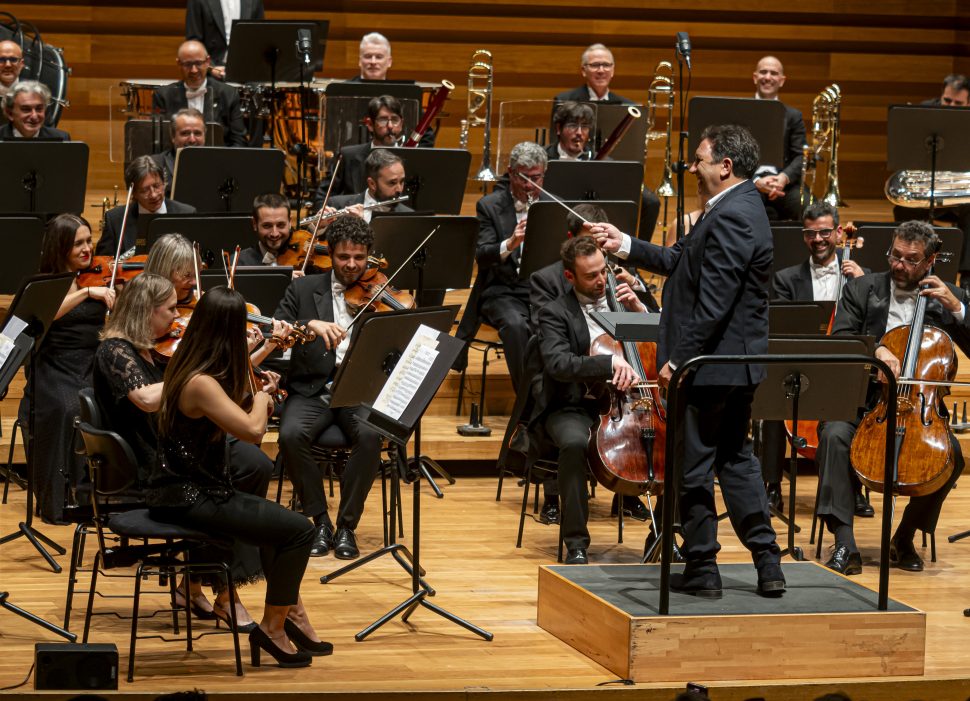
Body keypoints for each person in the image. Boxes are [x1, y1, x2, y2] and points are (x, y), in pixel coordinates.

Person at [592, 123, 785, 598]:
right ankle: (768, 564)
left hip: (710, 366)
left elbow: (715, 300)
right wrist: (626, 245)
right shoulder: (731, 209)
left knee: (692, 466)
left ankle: (702, 568)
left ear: (725, 165)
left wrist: (679, 360)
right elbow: (682, 260)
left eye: (699, 159)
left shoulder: (735, 213)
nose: (691, 168)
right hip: (729, 365)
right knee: (736, 460)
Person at [95, 271, 285, 630]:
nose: (177, 317)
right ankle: (225, 589)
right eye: (169, 309)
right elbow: (147, 400)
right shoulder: (114, 350)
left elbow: (207, 385)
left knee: (255, 464)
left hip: (177, 445)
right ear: (144, 312)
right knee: (238, 472)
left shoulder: (153, 348)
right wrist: (194, 371)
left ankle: (198, 581)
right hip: (147, 457)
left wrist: (257, 350)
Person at [150, 285, 328, 668]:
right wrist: (266, 398)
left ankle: (288, 614)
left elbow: (230, 412)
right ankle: (275, 627)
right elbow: (252, 430)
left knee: (280, 529)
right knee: (300, 530)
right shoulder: (201, 381)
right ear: (227, 330)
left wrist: (256, 391)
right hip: (192, 498)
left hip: (190, 491)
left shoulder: (193, 367)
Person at [815, 220, 966, 575]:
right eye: (895, 255)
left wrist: (957, 308)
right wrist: (877, 350)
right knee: (835, 435)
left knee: (953, 457)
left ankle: (903, 538)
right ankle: (845, 544)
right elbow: (842, 337)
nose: (899, 265)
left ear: (930, 261)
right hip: (864, 400)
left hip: (921, 409)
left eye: (911, 260)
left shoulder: (948, 298)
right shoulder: (863, 288)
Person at [527, 204, 659, 527]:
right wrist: (607, 362)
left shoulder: (621, 298)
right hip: (573, 404)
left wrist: (639, 310)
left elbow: (658, 345)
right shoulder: (555, 311)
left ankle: (666, 535)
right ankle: (576, 541)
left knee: (679, 438)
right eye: (592, 276)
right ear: (570, 276)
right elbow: (558, 363)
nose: (602, 280)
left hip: (626, 403)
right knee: (573, 443)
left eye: (604, 271)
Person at [273, 215, 384, 561]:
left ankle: (347, 525)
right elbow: (278, 328)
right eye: (343, 257)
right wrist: (309, 324)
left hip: (358, 389)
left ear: (370, 256)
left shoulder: (379, 292)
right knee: (290, 435)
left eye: (359, 257)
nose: (352, 265)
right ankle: (319, 520)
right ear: (330, 253)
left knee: (371, 436)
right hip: (311, 389)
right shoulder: (303, 288)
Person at [762, 201, 868, 511]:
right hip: (802, 361)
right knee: (771, 400)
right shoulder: (785, 279)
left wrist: (861, 281)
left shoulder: (860, 277)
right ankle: (772, 485)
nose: (818, 239)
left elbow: (869, 322)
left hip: (843, 364)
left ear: (838, 232)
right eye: (810, 233)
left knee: (861, 399)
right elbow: (781, 329)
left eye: (824, 232)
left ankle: (854, 488)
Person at [18, 214, 116, 524]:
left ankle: (99, 496)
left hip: (91, 362)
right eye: (79, 244)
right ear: (61, 247)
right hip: (54, 364)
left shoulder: (97, 276)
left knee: (115, 403)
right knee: (67, 406)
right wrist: (87, 293)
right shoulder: (43, 284)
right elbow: (48, 314)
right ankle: (62, 499)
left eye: (89, 240)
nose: (88, 249)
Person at [456, 142, 546, 391]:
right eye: (523, 178)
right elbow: (482, 256)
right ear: (510, 172)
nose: (529, 185)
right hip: (502, 291)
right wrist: (510, 242)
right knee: (516, 326)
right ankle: (527, 403)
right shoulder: (489, 206)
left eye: (536, 178)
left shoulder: (553, 205)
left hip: (541, 292)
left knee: (562, 322)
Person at [894, 74, 970, 289]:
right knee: (903, 205)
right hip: (929, 189)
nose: (951, 106)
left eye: (958, 103)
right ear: (941, 95)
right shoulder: (923, 114)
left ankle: (966, 276)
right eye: (947, 100)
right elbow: (905, 156)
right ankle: (909, 263)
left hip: (959, 194)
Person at [546, 101, 661, 241]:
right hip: (552, 226)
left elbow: (649, 202)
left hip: (591, 229)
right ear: (558, 128)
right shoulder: (544, 158)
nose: (579, 133)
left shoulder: (604, 162)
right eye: (572, 125)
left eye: (585, 127)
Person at [312, 95, 406, 207]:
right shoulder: (348, 156)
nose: (390, 126)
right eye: (383, 120)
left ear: (401, 123)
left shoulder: (414, 157)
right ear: (370, 125)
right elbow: (322, 198)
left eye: (395, 120)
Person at [152, 40, 247, 148]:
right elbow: (158, 140)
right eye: (187, 64)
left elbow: (239, 141)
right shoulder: (163, 96)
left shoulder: (228, 94)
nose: (194, 70)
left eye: (198, 63)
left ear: (207, 61)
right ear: (178, 64)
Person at [95, 156, 196, 256]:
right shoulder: (115, 220)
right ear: (134, 193)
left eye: (157, 186)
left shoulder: (187, 213)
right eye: (144, 190)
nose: (153, 195)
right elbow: (103, 262)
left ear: (164, 183)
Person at [751, 56, 806, 221]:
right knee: (742, 206)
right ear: (755, 77)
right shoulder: (740, 111)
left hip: (783, 182)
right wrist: (756, 180)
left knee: (806, 206)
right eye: (763, 72)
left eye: (773, 73)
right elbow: (733, 156)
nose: (768, 77)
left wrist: (783, 178)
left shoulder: (793, 116)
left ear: (781, 81)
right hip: (750, 182)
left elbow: (801, 155)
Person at [185, 0, 264, 80]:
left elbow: (258, 37)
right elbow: (193, 40)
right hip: (210, 70)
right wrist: (211, 68)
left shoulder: (255, 1)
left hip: (244, 70)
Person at [328, 149, 413, 222]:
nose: (399, 189)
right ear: (372, 184)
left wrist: (362, 224)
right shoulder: (337, 205)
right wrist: (321, 227)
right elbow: (321, 238)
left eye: (402, 182)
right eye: (392, 183)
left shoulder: (409, 216)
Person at [237, 192, 305, 277]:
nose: (275, 234)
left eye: (281, 225)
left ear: (290, 222)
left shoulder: (305, 262)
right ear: (255, 224)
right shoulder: (239, 262)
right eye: (267, 226)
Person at [150, 108, 205, 198]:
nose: (192, 139)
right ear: (173, 136)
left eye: (197, 133)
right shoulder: (154, 164)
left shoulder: (217, 164)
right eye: (185, 133)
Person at [555, 44, 634, 104]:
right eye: (595, 65)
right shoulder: (564, 101)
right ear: (583, 71)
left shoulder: (626, 105)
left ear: (612, 70)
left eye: (606, 65)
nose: (601, 71)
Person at [0, 80, 70, 140]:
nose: (34, 116)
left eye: (39, 109)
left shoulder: (61, 138)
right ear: (10, 113)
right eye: (26, 109)